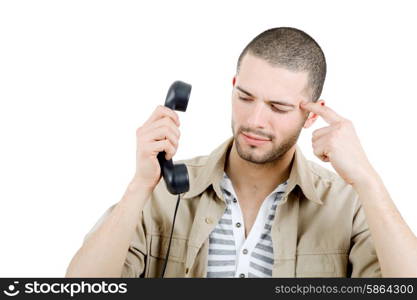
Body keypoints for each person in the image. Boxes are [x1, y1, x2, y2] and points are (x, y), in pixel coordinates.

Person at [66, 27, 384, 278]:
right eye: (245, 97)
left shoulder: (349, 204)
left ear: (312, 115)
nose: (254, 121)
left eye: (278, 107)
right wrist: (139, 186)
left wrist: (368, 180)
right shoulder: (163, 192)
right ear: (233, 85)